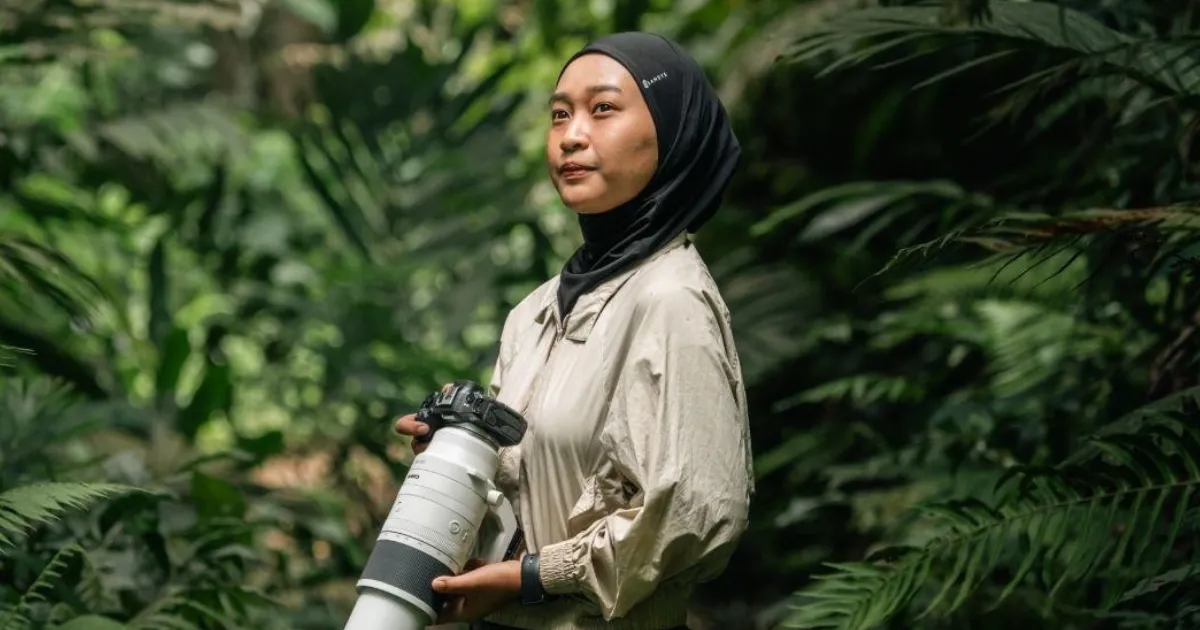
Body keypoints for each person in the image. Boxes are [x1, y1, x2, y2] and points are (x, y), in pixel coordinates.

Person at [393, 31, 754, 630]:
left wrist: (532, 578)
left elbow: (693, 515)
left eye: (603, 109)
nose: (572, 134)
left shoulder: (671, 300)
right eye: (560, 114)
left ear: (671, 132)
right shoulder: (535, 312)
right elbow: (535, 492)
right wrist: (458, 452)